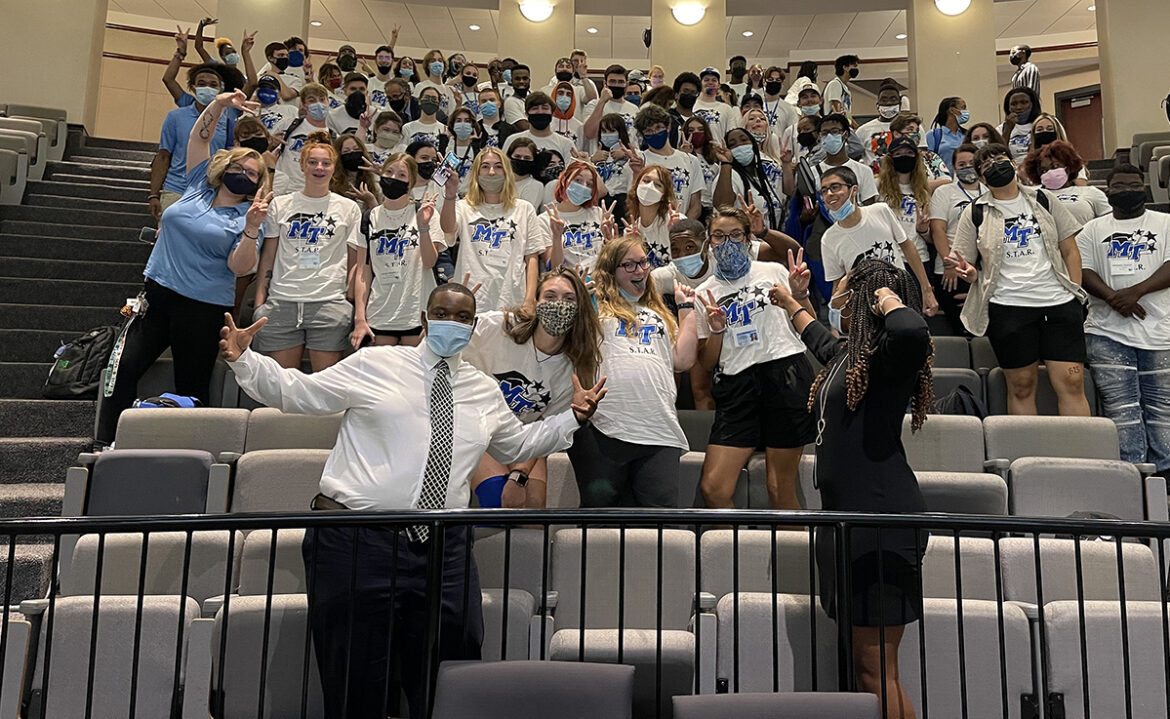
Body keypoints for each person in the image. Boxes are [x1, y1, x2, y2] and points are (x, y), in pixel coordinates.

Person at [218, 282, 607, 719]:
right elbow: (297, 391)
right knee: (355, 680)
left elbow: (517, 445)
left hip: (444, 547)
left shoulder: (483, 389)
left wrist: (571, 418)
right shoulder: (375, 363)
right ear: (425, 319)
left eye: (462, 317)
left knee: (451, 674)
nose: (451, 323)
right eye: (442, 314)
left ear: (473, 327)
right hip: (357, 540)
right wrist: (245, 359)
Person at [771, 258, 933, 719]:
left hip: (880, 525)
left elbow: (912, 330)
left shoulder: (889, 357)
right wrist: (793, 301)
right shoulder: (852, 355)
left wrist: (887, 295)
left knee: (876, 671)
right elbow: (817, 337)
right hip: (846, 525)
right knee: (863, 669)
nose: (835, 300)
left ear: (863, 300)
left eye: (842, 292)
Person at [97, 89, 269, 446]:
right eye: (237, 167)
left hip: (202, 308)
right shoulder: (198, 185)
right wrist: (219, 105)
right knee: (123, 368)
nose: (242, 174)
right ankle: (107, 442)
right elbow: (199, 138)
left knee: (191, 386)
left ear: (257, 183)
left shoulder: (250, 215)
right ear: (224, 168)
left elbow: (240, 268)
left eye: (251, 173)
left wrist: (252, 228)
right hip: (158, 296)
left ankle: (185, 452)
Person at [947, 143, 1089, 415]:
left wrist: (1076, 294)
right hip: (1008, 306)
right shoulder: (975, 212)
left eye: (1000, 158)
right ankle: (1027, 442)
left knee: (1072, 382)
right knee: (1021, 386)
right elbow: (966, 262)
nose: (995, 165)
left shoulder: (1044, 199)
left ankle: (1079, 442)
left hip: (1058, 302)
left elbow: (1070, 250)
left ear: (1013, 163)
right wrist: (970, 274)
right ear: (981, 177)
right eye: (986, 165)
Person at [693, 208, 815, 510]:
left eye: (736, 235)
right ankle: (738, 541)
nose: (728, 243)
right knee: (713, 488)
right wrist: (716, 330)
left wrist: (800, 296)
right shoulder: (703, 293)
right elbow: (707, 363)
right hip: (737, 386)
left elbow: (808, 324)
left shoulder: (773, 271)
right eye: (719, 236)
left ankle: (793, 543)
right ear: (709, 243)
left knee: (779, 489)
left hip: (784, 375)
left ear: (748, 238)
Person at [567, 235, 697, 506]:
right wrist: (579, 301)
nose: (639, 271)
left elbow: (683, 360)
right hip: (605, 429)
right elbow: (574, 342)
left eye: (643, 263)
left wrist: (686, 308)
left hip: (659, 431)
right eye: (629, 265)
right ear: (610, 271)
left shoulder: (659, 314)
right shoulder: (596, 309)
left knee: (660, 523)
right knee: (601, 520)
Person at [464, 268, 604, 508]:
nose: (559, 305)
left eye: (569, 298)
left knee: (533, 509)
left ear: (580, 307)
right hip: (482, 430)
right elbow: (444, 349)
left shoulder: (573, 369)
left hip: (526, 436)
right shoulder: (499, 327)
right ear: (536, 301)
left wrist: (519, 476)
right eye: (550, 296)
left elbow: (545, 429)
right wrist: (453, 315)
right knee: (497, 498)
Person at [1077, 164, 1170, 472]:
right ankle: (1132, 472)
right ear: (1108, 191)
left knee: (1163, 409)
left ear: (1144, 188)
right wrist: (1113, 299)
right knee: (1122, 410)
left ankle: (1164, 473)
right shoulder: (1092, 229)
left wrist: (1135, 293)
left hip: (1161, 332)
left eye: (1133, 185)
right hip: (1107, 332)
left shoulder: (1166, 223)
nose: (1126, 191)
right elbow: (1083, 270)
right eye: (1119, 186)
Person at [254, 132, 362, 371]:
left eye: (326, 163)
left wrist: (348, 301)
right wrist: (260, 302)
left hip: (329, 302)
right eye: (312, 162)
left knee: (324, 385)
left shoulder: (349, 208)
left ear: (334, 168)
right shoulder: (280, 204)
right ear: (302, 165)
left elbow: (355, 262)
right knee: (284, 385)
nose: (319, 168)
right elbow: (268, 256)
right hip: (283, 300)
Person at [439, 147, 550, 310]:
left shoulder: (524, 209)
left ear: (507, 172)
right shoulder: (463, 207)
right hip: (470, 300)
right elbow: (447, 228)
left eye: (498, 166)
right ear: (476, 173)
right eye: (485, 166)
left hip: (512, 299)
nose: (491, 172)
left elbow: (532, 257)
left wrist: (530, 299)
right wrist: (450, 194)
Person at [350, 154, 441, 350]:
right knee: (379, 370)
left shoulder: (425, 212)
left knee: (416, 369)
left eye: (401, 175)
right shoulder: (368, 218)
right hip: (379, 314)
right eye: (389, 172)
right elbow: (363, 272)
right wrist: (360, 318)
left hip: (417, 314)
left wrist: (423, 227)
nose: (393, 178)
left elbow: (430, 262)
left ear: (411, 182)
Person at [820, 165, 937, 316]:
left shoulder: (880, 211)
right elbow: (838, 285)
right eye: (824, 190)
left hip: (901, 298)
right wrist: (837, 318)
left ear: (854, 190)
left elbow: (907, 246)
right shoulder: (828, 239)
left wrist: (926, 289)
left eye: (835, 187)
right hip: (866, 311)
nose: (829, 194)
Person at [150, 64, 238, 220]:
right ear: (193, 88)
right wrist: (154, 195)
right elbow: (163, 156)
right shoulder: (175, 117)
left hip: (209, 193)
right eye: (202, 84)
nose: (207, 88)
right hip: (176, 190)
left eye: (213, 85)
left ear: (220, 90)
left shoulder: (228, 123)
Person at [876, 136, 950, 292]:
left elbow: (931, 238)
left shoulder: (924, 192)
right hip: (887, 258)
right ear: (890, 159)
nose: (904, 157)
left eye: (909, 153)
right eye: (898, 154)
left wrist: (923, 229)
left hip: (918, 258)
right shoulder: (878, 188)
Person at [928, 143, 983, 335]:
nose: (967, 167)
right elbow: (938, 229)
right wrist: (950, 263)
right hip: (951, 270)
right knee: (961, 327)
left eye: (972, 163)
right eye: (961, 164)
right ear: (953, 168)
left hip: (983, 269)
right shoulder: (945, 192)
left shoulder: (990, 190)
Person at [543, 160, 617, 269]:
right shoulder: (545, 220)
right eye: (578, 180)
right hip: (570, 278)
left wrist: (609, 239)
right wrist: (557, 237)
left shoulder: (599, 213)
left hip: (600, 276)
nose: (583, 187)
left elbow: (613, 260)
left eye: (589, 184)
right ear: (564, 181)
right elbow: (554, 268)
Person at [636, 104, 704, 220]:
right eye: (649, 130)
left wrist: (681, 226)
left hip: (681, 225)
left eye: (658, 127)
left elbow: (695, 205)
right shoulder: (639, 160)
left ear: (668, 127)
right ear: (642, 135)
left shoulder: (691, 160)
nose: (654, 133)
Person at [713, 128, 787, 232]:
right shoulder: (728, 175)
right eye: (732, 144)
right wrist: (726, 163)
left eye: (744, 140)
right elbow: (723, 206)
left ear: (753, 144)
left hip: (767, 236)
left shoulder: (762, 175)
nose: (740, 145)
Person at [271, 83, 335, 196]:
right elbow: (269, 151)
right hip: (284, 189)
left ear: (328, 102)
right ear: (304, 105)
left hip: (313, 192)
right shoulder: (288, 125)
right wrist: (271, 144)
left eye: (322, 99)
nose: (318, 104)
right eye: (312, 100)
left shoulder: (333, 136)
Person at [1024, 140, 1109, 224]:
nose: (1050, 172)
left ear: (1068, 167)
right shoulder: (1033, 197)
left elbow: (1110, 222)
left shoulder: (1091, 192)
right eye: (1043, 170)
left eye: (1055, 166)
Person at [625, 164, 681, 268]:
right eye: (646, 181)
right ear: (636, 186)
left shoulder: (676, 221)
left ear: (664, 195)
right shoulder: (631, 232)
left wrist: (678, 236)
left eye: (658, 185)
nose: (649, 187)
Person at [502, 92, 577, 162]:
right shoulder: (512, 140)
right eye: (535, 108)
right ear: (527, 114)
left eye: (545, 108)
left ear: (552, 113)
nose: (540, 112)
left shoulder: (566, 144)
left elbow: (571, 170)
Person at [854, 84, 904, 174]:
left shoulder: (912, 128)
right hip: (874, 178)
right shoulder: (863, 131)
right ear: (877, 105)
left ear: (900, 104)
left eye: (893, 99)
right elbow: (855, 158)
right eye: (884, 100)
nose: (888, 103)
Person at [438, 106, 486, 197]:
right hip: (448, 196)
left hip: (472, 197)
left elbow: (482, 177)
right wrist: (442, 145)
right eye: (459, 121)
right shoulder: (447, 149)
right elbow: (439, 178)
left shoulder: (479, 151)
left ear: (472, 125)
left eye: (467, 121)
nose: (463, 124)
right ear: (453, 125)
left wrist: (476, 148)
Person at [583, 65, 641, 139]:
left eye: (620, 82)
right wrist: (602, 101)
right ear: (605, 83)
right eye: (612, 81)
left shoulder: (634, 109)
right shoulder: (593, 105)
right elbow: (589, 134)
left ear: (626, 85)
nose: (616, 85)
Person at [332, 133, 382, 211]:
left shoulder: (373, 180)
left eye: (356, 150)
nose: (352, 153)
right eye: (346, 151)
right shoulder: (332, 181)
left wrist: (371, 201)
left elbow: (379, 215)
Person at [694, 67, 740, 146]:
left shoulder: (726, 109)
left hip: (719, 151)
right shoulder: (693, 106)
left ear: (718, 85)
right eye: (706, 80)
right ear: (700, 84)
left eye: (714, 80)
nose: (710, 82)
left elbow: (732, 136)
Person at [926, 96, 969, 174]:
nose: (966, 111)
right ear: (952, 110)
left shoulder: (967, 135)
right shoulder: (933, 135)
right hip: (943, 179)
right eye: (963, 107)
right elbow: (929, 161)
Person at [999, 87, 1041, 163]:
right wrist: (1008, 130)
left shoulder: (1042, 125)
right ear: (1008, 107)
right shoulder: (1000, 129)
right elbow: (998, 155)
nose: (1019, 107)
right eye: (1014, 104)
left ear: (1032, 104)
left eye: (1024, 103)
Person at [505, 137, 546, 210]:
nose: (522, 160)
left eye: (527, 158)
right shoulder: (499, 180)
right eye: (517, 156)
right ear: (509, 157)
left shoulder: (536, 186)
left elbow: (524, 212)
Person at [414, 49, 458, 117]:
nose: (437, 63)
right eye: (433, 61)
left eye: (440, 60)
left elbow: (452, 115)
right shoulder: (421, 86)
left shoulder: (450, 90)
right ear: (427, 66)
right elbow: (417, 110)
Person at [759, 66, 800, 137]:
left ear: (782, 83)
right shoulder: (757, 105)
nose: (774, 82)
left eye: (778, 80)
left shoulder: (789, 109)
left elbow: (793, 134)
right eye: (771, 79)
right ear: (764, 82)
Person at [823, 55, 859, 127]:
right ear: (845, 67)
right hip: (835, 124)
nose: (856, 69)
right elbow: (837, 108)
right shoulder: (835, 84)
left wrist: (855, 125)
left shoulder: (844, 87)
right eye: (854, 66)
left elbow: (847, 112)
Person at [549, 80, 587, 150]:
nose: (564, 97)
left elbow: (580, 149)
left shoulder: (579, 126)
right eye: (560, 93)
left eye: (568, 94)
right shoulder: (547, 122)